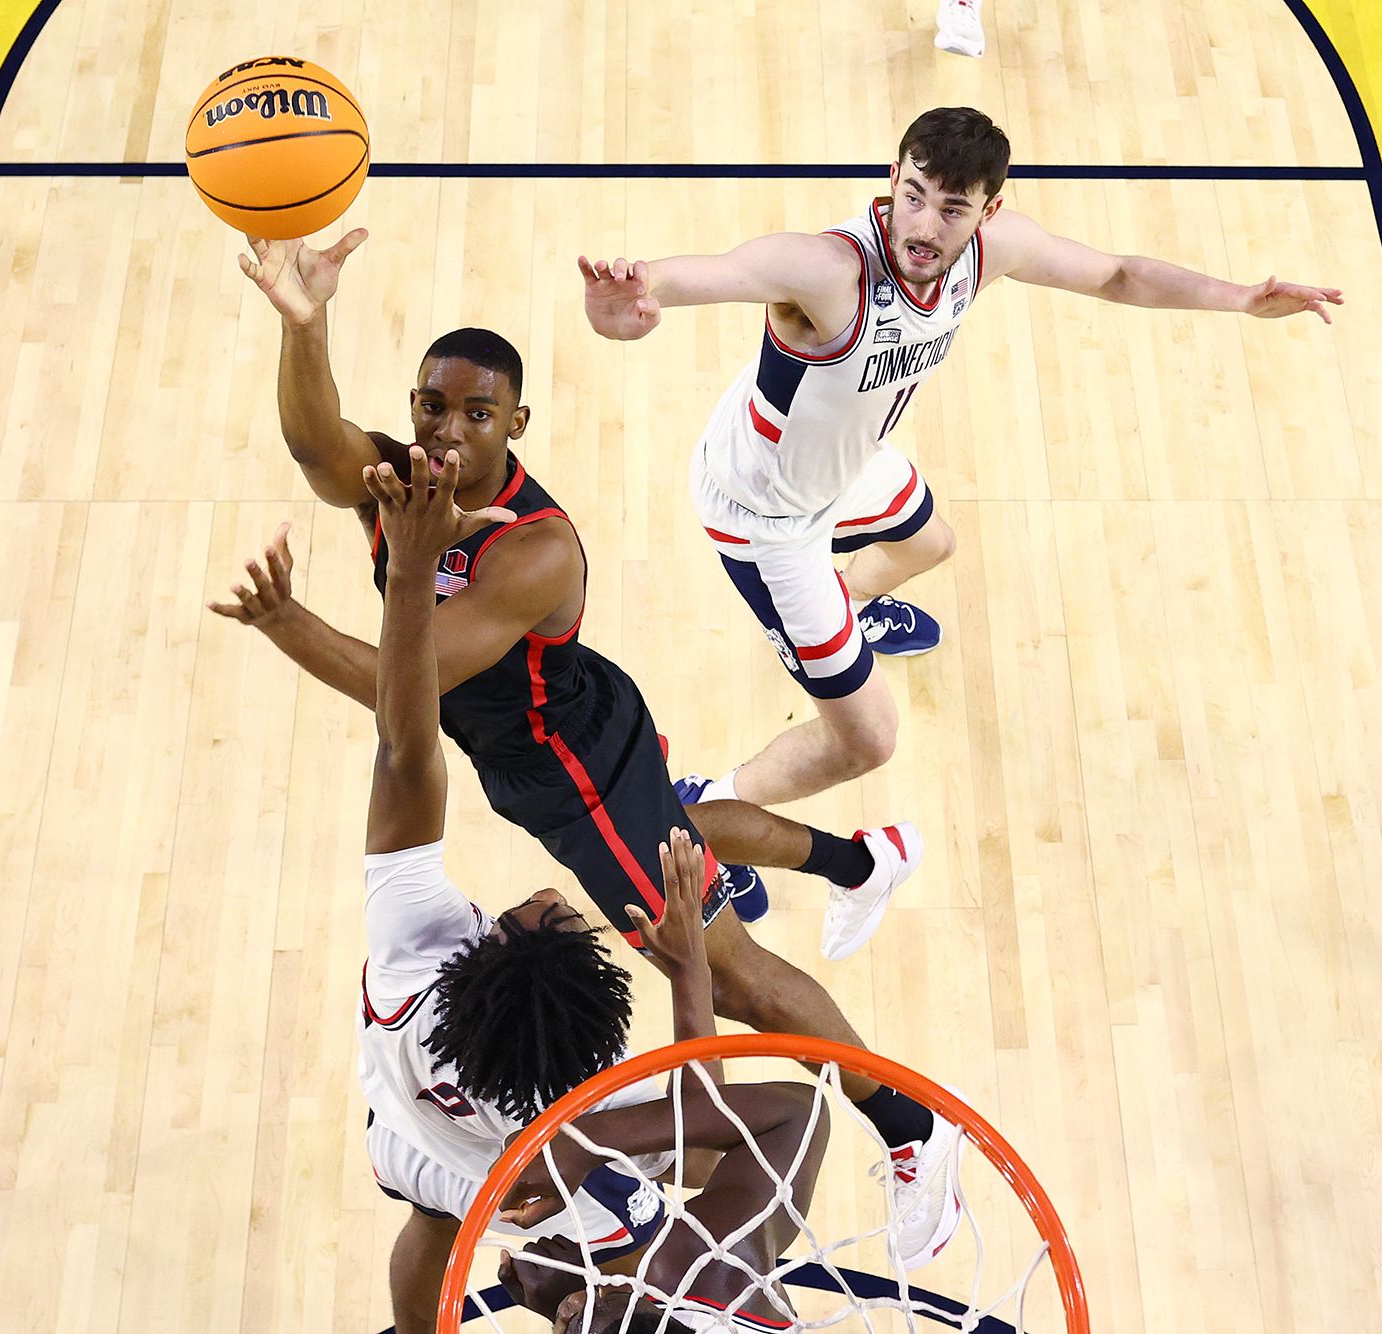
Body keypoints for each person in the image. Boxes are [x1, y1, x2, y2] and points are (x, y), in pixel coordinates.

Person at [225, 244, 964, 1262]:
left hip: (566, 766)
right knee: (683, 831)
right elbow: (316, 446)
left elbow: (411, 691)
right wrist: (301, 327)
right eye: (432, 406)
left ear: (513, 426)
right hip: (559, 732)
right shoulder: (405, 483)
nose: (446, 430)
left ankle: (909, 1125)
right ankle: (859, 860)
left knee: (728, 963)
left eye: (475, 414)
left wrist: (286, 620)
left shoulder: (533, 547)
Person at [579, 105, 1343, 807]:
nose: (924, 225)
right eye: (913, 194)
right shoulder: (828, 270)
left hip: (842, 463)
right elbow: (714, 273)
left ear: (988, 211)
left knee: (928, 542)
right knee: (867, 741)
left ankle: (842, 613)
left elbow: (1116, 275)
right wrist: (635, 303)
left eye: (951, 209)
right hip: (766, 513)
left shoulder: (990, 252)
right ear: (892, 179)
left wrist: (1240, 298)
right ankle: (708, 810)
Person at [354, 442, 675, 1334]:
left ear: (489, 944)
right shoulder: (587, 1095)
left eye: (549, 913)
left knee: (432, 1219)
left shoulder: (413, 961)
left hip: (419, 1143)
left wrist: (411, 574)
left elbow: (404, 746)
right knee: (641, 1260)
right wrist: (687, 976)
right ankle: (586, 1308)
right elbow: (708, 1106)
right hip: (534, 1186)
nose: (559, 896)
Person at [493, 815, 838, 1334]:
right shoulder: (710, 1272)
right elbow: (798, 1114)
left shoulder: (696, 1270)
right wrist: (585, 1141)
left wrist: (569, 1306)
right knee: (691, 1156)